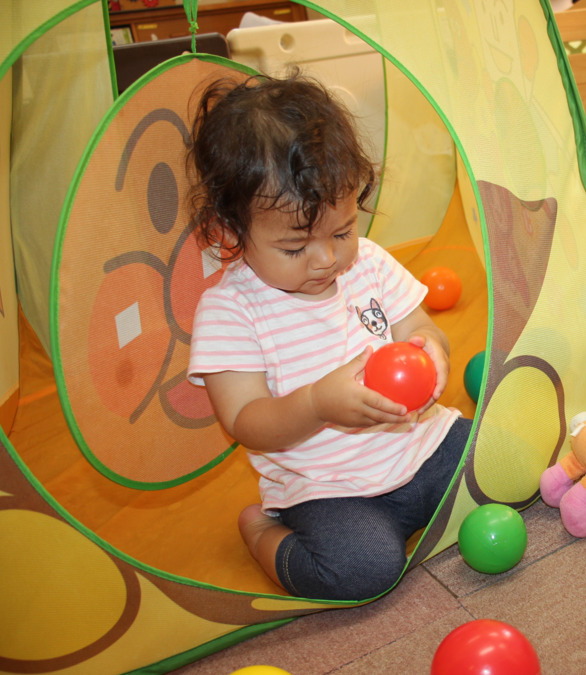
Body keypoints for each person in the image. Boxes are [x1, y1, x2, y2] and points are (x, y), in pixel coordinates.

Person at [186, 72, 471, 601]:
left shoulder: (369, 264)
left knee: (505, 460)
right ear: (229, 230)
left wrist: (432, 349)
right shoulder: (231, 311)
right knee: (364, 569)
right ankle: (263, 532)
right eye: (295, 248)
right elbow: (246, 421)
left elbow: (420, 327)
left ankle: (436, 502)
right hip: (327, 490)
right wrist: (317, 403)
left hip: (422, 446)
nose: (325, 259)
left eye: (342, 232)